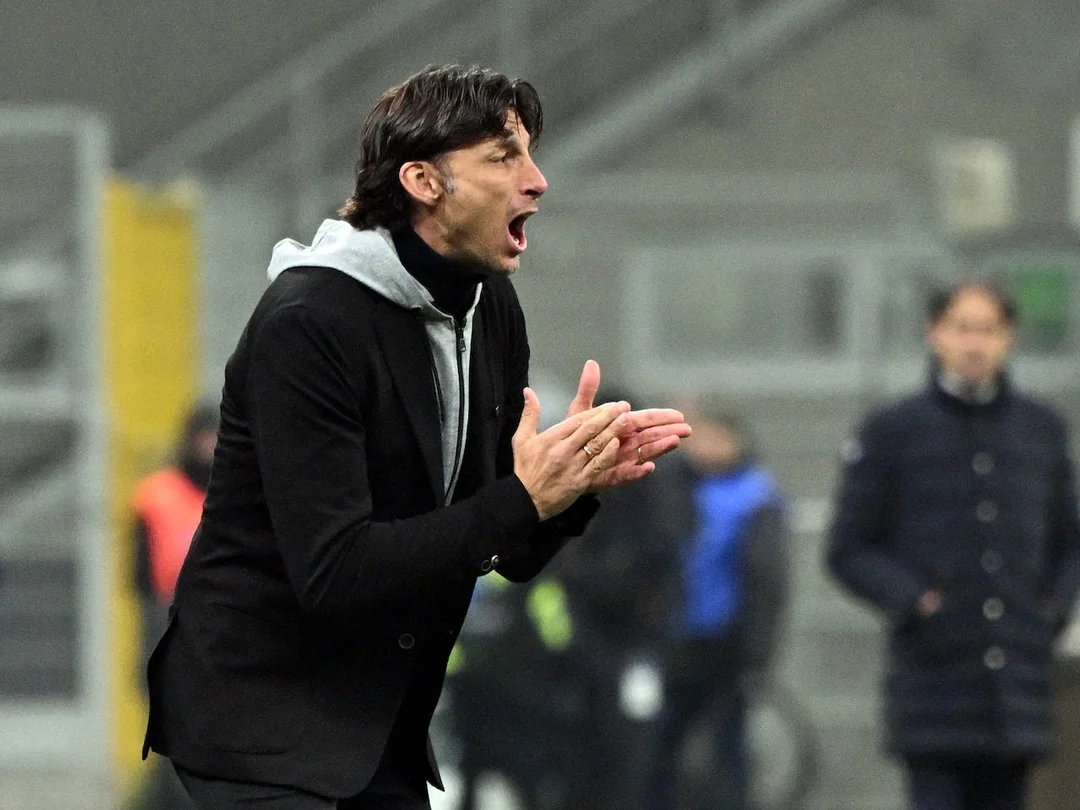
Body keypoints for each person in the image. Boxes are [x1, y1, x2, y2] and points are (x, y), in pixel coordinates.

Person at [141, 64, 691, 810]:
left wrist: (570, 487)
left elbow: (507, 549)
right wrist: (524, 499)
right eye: (503, 157)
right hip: (260, 723)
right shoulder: (309, 324)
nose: (537, 181)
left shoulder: (490, 307)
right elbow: (335, 572)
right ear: (424, 182)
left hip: (377, 723)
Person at [827, 280, 1080, 810]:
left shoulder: (1040, 429)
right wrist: (915, 601)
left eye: (988, 330)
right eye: (962, 328)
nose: (975, 344)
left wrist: (1051, 608)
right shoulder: (893, 429)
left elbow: (1068, 540)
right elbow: (848, 547)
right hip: (933, 681)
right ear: (934, 333)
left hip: (1018, 685)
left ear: (1009, 337)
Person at [650, 401, 790, 810]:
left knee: (727, 748)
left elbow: (767, 583)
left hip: (726, 643)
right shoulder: (675, 488)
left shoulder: (756, 496)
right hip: (675, 640)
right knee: (661, 747)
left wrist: (757, 654)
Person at [133, 403, 218, 810]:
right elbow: (139, 576)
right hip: (167, 616)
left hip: (220, 618)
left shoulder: (234, 495)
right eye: (203, 437)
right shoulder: (156, 496)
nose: (209, 447)